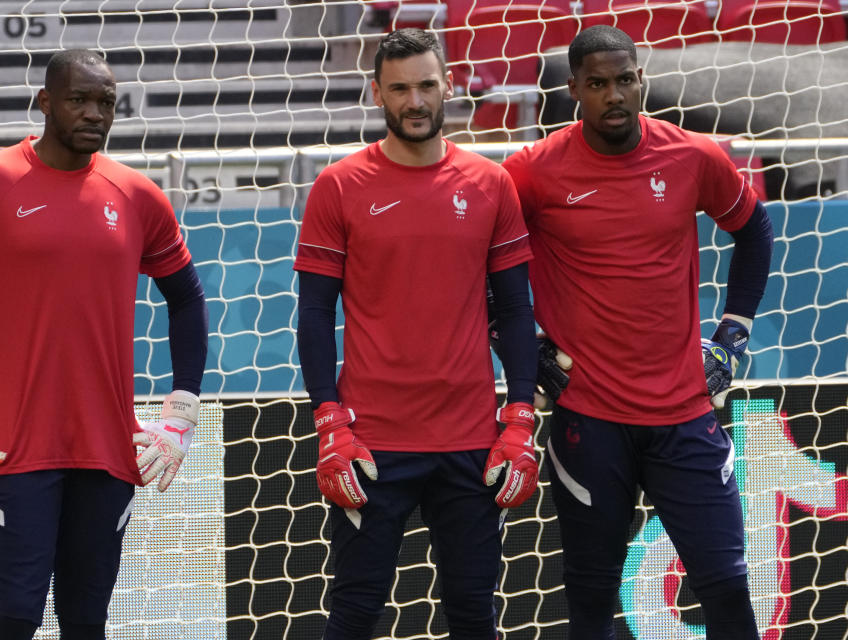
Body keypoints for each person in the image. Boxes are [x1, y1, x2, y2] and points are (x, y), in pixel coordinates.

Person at [0, 49, 209, 640]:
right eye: (79, 99)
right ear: (43, 102)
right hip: (15, 456)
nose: (94, 113)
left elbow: (188, 300)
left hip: (110, 454)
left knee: (87, 622)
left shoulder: (137, 195)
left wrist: (181, 412)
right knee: (16, 617)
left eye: (106, 103)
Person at [502, 25, 773, 640]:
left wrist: (733, 334)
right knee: (592, 604)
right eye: (597, 84)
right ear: (573, 90)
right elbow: (481, 265)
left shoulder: (693, 156)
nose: (614, 95)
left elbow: (755, 232)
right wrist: (518, 348)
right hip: (588, 420)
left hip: (684, 415)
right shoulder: (531, 173)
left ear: (641, 80)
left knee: (729, 592)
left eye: (625, 80)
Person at [294, 28, 540, 639]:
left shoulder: (491, 183)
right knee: (354, 611)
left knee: (473, 613)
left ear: (449, 86)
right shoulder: (339, 186)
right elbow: (313, 314)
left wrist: (519, 419)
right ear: (376, 92)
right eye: (399, 88)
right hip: (373, 443)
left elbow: (514, 310)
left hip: (471, 440)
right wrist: (329, 421)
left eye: (427, 85)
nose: (415, 101)